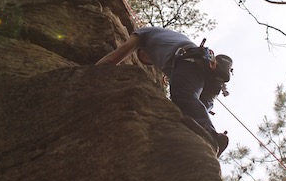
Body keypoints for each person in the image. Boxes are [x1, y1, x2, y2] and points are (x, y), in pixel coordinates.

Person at [95, 26, 232, 156]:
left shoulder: (144, 33)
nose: (149, 59)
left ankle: (211, 137)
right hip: (210, 78)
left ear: (143, 50)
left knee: (183, 97)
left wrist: (91, 71)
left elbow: (114, 57)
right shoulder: (170, 38)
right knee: (191, 109)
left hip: (191, 61)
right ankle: (206, 135)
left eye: (145, 57)